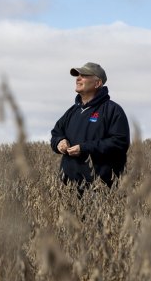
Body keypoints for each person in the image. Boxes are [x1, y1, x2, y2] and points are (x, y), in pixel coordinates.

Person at [51, 62, 130, 190]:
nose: (78, 78)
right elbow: (56, 132)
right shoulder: (72, 112)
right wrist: (59, 142)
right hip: (68, 191)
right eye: (78, 76)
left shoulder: (112, 110)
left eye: (84, 75)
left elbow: (119, 143)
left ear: (97, 83)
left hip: (101, 190)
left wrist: (84, 148)